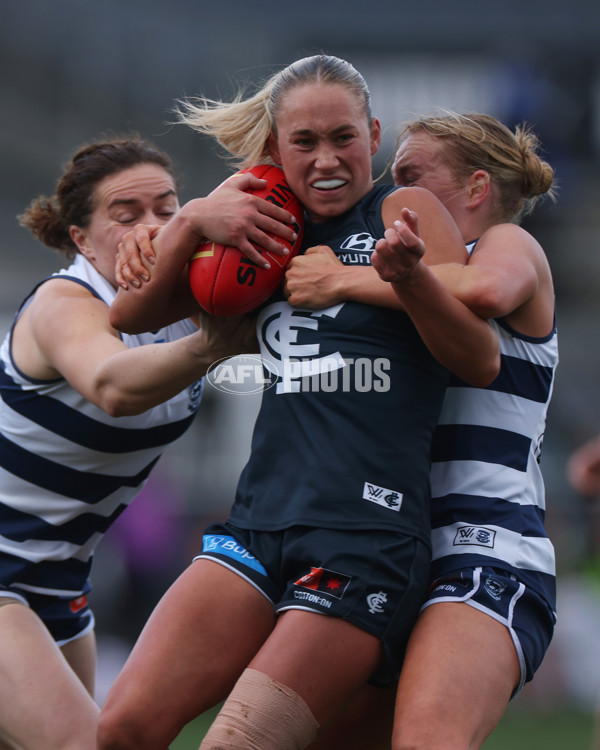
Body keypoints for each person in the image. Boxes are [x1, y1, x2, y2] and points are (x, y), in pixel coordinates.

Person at [97, 55, 500, 750]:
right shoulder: (260, 220)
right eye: (304, 142)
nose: (326, 160)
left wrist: (386, 280)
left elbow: (480, 357)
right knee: (123, 727)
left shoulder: (404, 213)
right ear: (277, 148)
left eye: (343, 137)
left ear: (374, 135)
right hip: (257, 525)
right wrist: (193, 220)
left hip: (365, 537)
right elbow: (129, 318)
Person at [0, 134, 296, 750]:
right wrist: (209, 345)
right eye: (126, 214)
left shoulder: (190, 302)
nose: (155, 226)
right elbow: (111, 386)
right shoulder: (64, 301)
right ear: (81, 240)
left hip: (60, 576)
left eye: (167, 207)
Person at [284, 112, 558, 750]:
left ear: (476, 189)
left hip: (484, 547)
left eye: (410, 177)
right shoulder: (406, 287)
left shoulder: (505, 243)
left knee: (428, 739)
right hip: (392, 553)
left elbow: (485, 290)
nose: (392, 195)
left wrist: (340, 280)